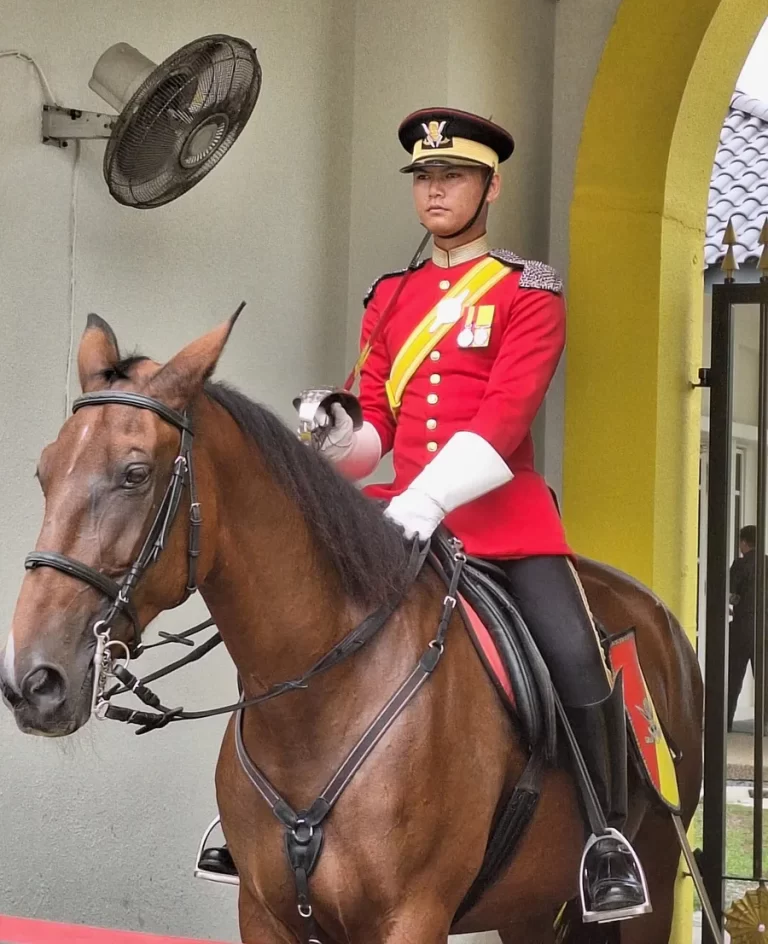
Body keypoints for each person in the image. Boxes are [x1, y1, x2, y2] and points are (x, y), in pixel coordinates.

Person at [197, 108, 650, 922]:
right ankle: (251, 819)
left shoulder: (527, 291)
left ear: (489, 187)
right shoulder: (391, 298)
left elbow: (501, 424)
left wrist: (426, 500)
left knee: (578, 659)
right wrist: (339, 435)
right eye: (425, 179)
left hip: (498, 521)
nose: (436, 190)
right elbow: (377, 432)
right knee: (289, 626)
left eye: (453, 177)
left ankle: (604, 841)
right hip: (395, 516)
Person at [728, 525, 760, 731]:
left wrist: (735, 605)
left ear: (744, 542)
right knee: (764, 678)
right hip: (764, 629)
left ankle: (726, 720)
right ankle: (765, 723)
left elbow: (729, 594)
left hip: (742, 628)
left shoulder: (740, 565)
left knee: (733, 677)